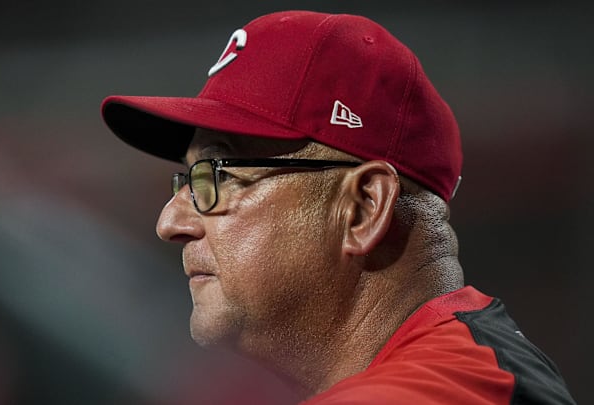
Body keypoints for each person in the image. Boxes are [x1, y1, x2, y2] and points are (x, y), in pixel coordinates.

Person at [101, 10, 575, 404]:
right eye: (186, 180)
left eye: (217, 176)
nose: (171, 222)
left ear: (363, 208)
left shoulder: (442, 390)